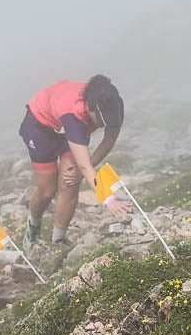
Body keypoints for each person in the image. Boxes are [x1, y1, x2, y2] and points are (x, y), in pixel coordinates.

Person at [19, 75, 131, 250]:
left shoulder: (114, 105)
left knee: (71, 181)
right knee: (47, 190)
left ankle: (58, 239)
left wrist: (81, 171)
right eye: (100, 120)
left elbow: (108, 142)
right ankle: (33, 226)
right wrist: (109, 200)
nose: (103, 124)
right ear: (88, 106)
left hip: (69, 129)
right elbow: (85, 166)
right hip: (40, 127)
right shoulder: (74, 114)